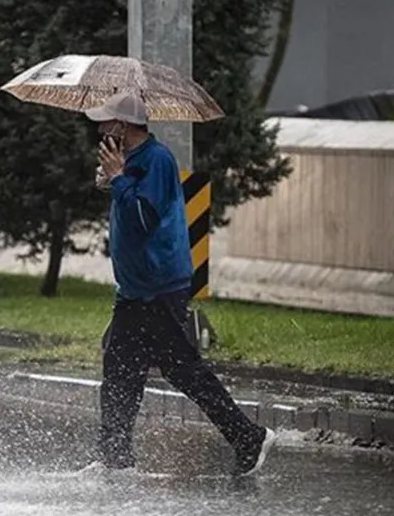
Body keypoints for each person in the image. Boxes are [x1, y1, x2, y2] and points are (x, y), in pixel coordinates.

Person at [84, 91, 276, 476]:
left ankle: (249, 437)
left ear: (123, 125)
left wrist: (120, 180)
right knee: (120, 368)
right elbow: (128, 202)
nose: (100, 128)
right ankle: (114, 457)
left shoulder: (156, 160)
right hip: (136, 289)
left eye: (107, 122)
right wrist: (110, 179)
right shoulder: (132, 160)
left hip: (158, 287)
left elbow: (143, 219)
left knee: (183, 370)